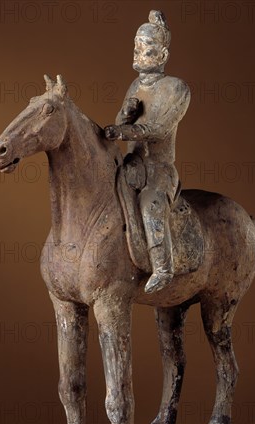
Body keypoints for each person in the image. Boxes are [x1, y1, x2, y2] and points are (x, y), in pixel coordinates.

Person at [105, 10, 191, 293]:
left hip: (158, 170)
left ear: (163, 54)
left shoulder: (176, 88)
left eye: (148, 49)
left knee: (151, 207)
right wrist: (124, 116)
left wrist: (123, 131)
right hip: (131, 166)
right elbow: (121, 123)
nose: (140, 54)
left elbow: (160, 129)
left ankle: (163, 267)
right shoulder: (135, 85)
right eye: (137, 47)